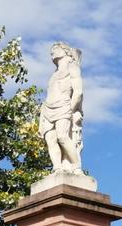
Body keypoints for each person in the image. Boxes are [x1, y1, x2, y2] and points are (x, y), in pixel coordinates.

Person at [39, 42, 84, 174]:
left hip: (63, 106)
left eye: (55, 48)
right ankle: (57, 168)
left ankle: (76, 167)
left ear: (65, 51)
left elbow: (78, 92)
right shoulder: (54, 74)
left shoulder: (72, 67)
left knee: (62, 137)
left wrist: (72, 109)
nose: (51, 51)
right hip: (48, 108)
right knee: (50, 140)